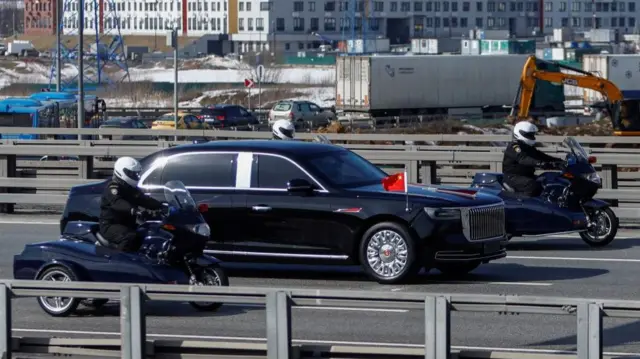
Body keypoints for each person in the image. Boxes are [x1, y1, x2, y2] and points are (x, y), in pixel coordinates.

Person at [99, 156, 164, 252]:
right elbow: (117, 202)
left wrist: (162, 206)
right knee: (130, 237)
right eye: (132, 174)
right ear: (122, 172)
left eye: (136, 174)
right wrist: (134, 210)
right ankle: (119, 263)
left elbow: (144, 200)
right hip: (110, 226)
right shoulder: (113, 187)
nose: (135, 176)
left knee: (148, 231)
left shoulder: (130, 189)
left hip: (127, 225)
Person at [502, 121, 564, 197]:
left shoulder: (528, 147)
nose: (532, 137)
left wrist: (559, 161)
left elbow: (541, 156)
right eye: (529, 135)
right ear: (521, 133)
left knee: (546, 181)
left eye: (532, 135)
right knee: (531, 185)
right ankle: (526, 205)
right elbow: (523, 159)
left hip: (526, 176)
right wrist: (540, 164)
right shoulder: (514, 146)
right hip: (513, 177)